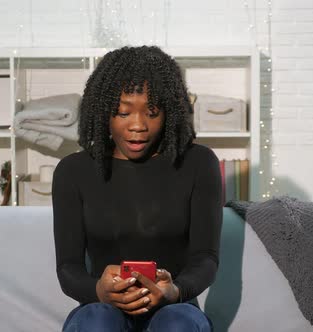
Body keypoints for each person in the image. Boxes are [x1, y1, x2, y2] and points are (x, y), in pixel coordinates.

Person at [52, 45, 222, 332]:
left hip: (174, 310)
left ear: (170, 112)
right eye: (122, 112)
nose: (138, 126)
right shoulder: (73, 171)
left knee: (177, 324)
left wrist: (175, 291)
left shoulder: (199, 163)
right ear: (104, 111)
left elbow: (205, 258)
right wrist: (99, 291)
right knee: (98, 323)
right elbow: (68, 268)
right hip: (101, 311)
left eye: (152, 112)